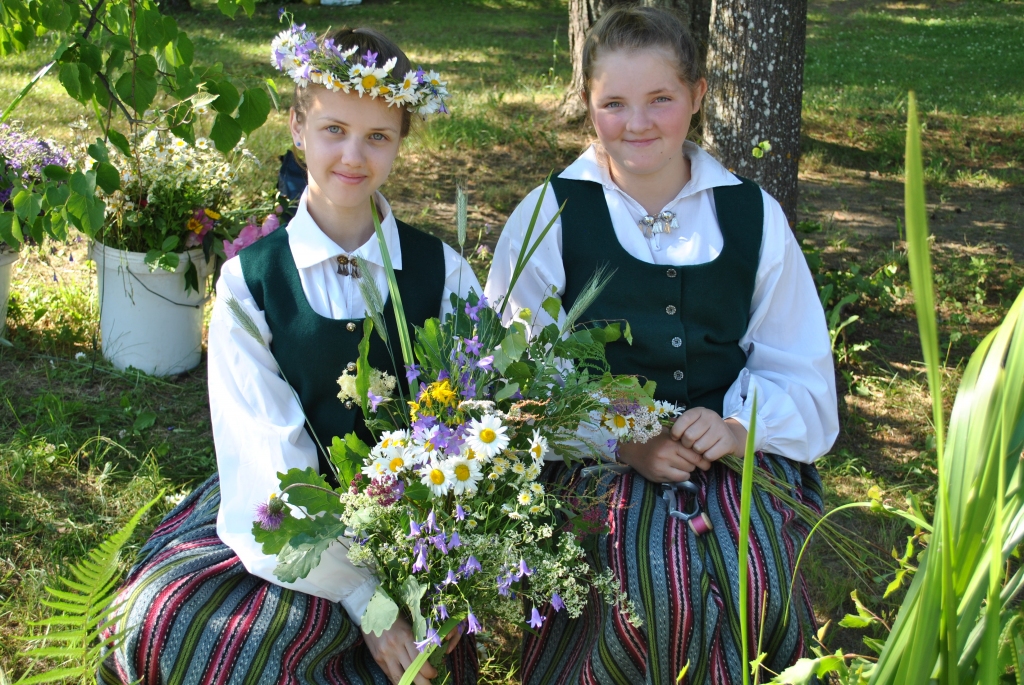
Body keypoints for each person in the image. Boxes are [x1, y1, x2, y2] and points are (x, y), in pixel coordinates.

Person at [100, 24, 480, 685]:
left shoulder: (441, 271)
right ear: (298, 125)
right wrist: (363, 595)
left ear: (401, 141)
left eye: (378, 136)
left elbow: (478, 410)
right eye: (334, 129)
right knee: (189, 630)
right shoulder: (253, 282)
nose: (353, 156)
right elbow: (268, 456)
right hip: (284, 514)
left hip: (413, 524)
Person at [484, 6, 838, 684]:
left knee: (748, 573)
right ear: (588, 104)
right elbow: (515, 380)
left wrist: (738, 427)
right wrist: (620, 439)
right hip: (598, 459)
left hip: (729, 451)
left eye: (660, 99)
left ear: (697, 97)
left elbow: (800, 366)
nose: (637, 122)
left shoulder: (750, 213)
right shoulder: (549, 214)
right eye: (614, 102)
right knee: (644, 586)